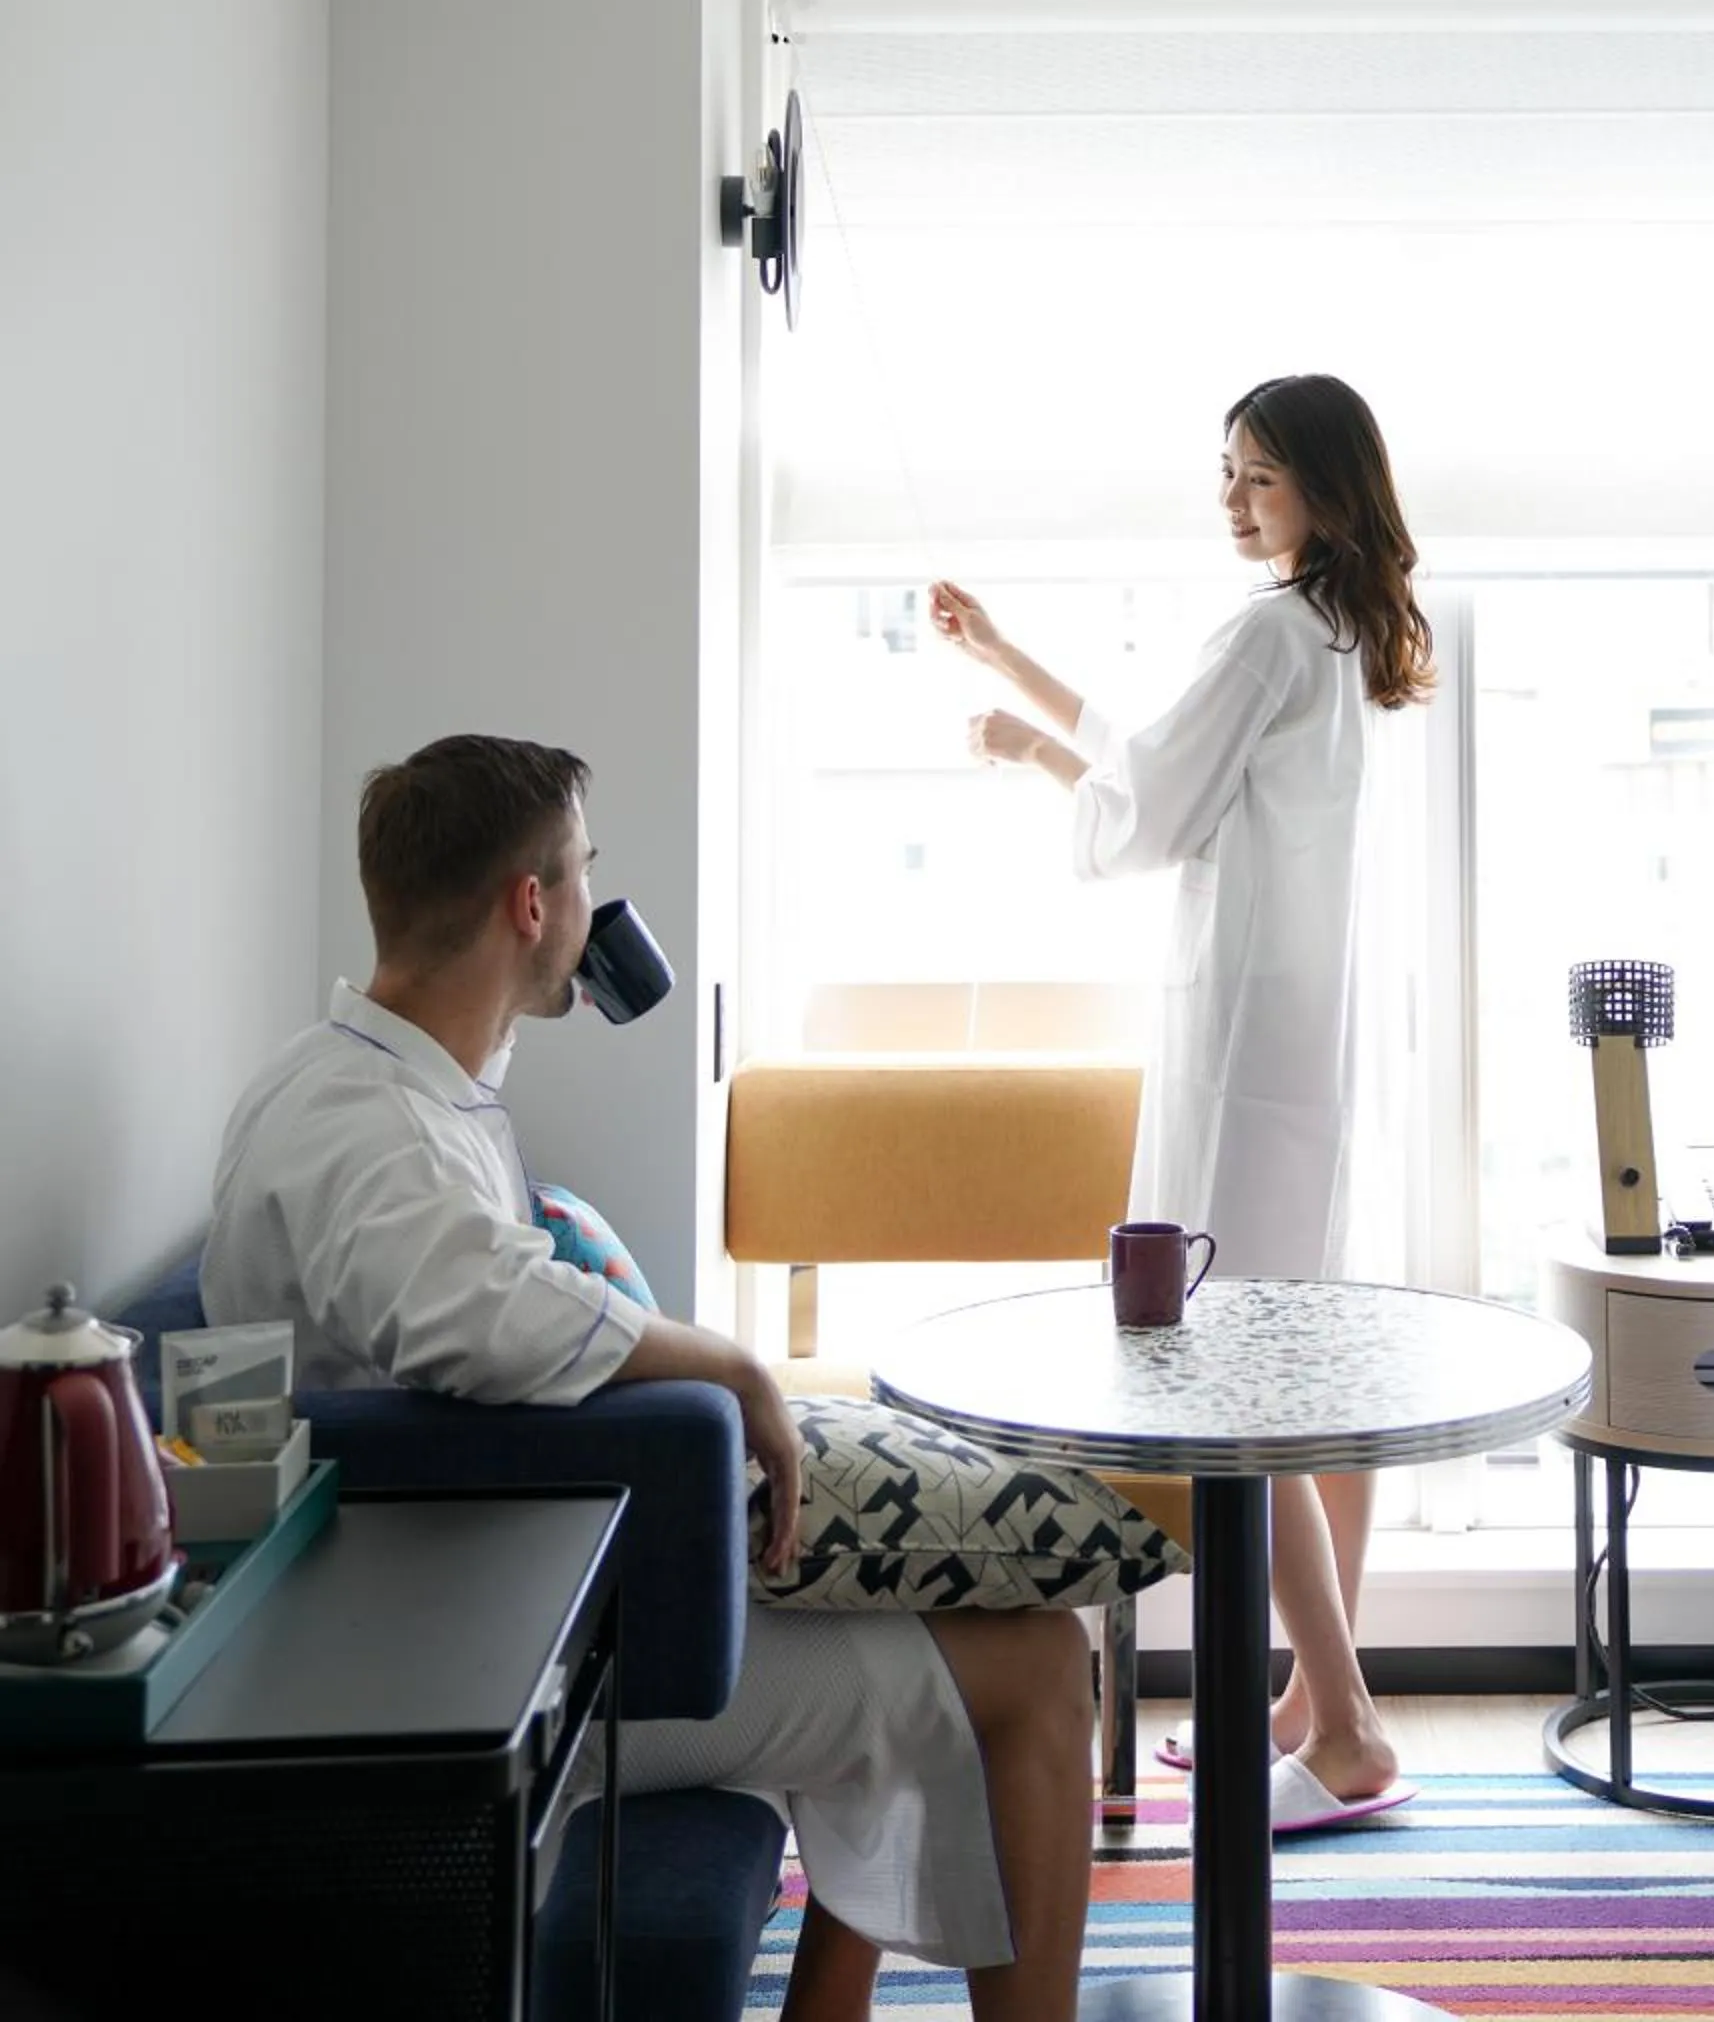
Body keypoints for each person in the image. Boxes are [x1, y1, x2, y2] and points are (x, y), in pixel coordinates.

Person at [200, 735, 1092, 2022]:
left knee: (901, 1623)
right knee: (1039, 1661)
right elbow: (481, 1316)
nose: (591, 904)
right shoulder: (368, 1127)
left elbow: (476, 1286)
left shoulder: (367, 1085)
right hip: (481, 1671)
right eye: (584, 874)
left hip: (490, 1606)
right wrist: (731, 1366)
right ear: (531, 905)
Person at [928, 371, 1436, 1833]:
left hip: (1244, 1053)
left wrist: (1029, 753)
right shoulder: (1338, 639)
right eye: (1225, 472)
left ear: (1329, 492)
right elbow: (1172, 755)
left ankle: (1342, 1722)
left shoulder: (1272, 634)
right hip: (1315, 1048)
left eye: (1259, 478)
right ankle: (1305, 1695)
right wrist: (1015, 659)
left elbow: (1148, 806)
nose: (1232, 500)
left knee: (1236, 1377)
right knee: (1313, 1373)